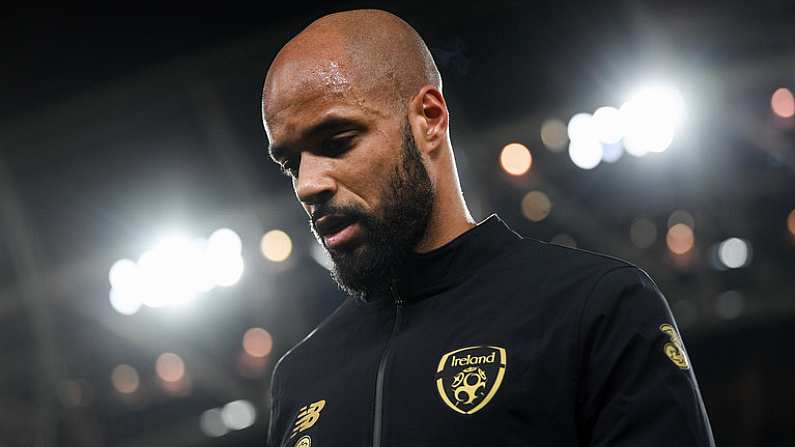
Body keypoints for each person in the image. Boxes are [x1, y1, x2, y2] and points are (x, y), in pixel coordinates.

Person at [261, 9, 714, 447]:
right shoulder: (300, 376)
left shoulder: (595, 306)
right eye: (290, 164)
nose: (308, 185)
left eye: (336, 142)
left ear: (430, 119)